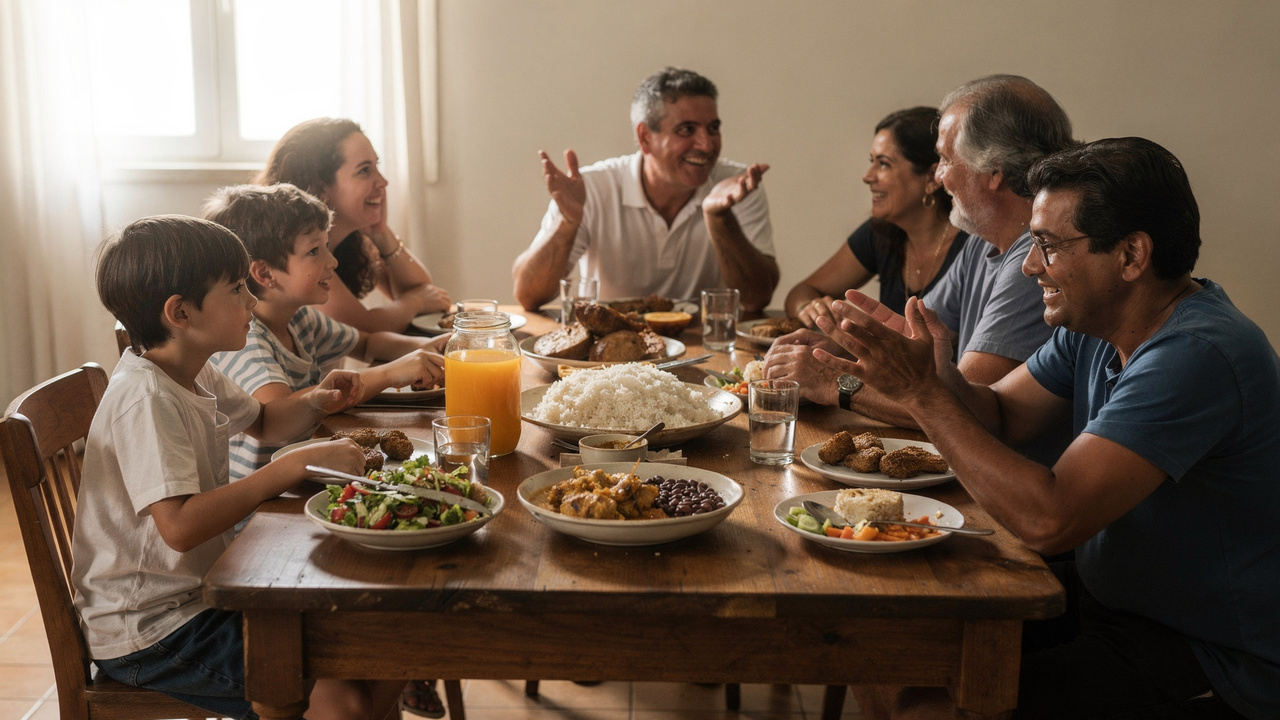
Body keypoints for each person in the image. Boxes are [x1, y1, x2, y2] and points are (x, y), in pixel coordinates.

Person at [817, 137, 1279, 720]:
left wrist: (921, 395)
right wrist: (935, 372)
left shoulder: (1196, 354)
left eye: (1048, 246)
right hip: (1107, 599)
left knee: (922, 704)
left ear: (1132, 255)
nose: (1030, 265)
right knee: (885, 651)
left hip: (1210, 653)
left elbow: (1048, 520)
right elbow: (1002, 415)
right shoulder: (1095, 322)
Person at [74, 215, 403, 720]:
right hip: (150, 628)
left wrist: (317, 399)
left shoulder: (193, 367)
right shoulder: (145, 398)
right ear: (180, 312)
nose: (251, 302)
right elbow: (180, 527)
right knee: (343, 701)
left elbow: (267, 420)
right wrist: (290, 467)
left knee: (378, 647)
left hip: (198, 595)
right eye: (235, 290)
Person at [766, 76, 1073, 441]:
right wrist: (836, 347)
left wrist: (836, 384)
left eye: (944, 160)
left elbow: (964, 407)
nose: (939, 176)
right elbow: (912, 340)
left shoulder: (1034, 261)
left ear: (994, 172)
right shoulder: (982, 241)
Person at [202, 184, 446, 478]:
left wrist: (428, 347)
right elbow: (274, 414)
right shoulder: (245, 339)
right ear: (265, 273)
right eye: (315, 251)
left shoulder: (301, 318)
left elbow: (368, 344)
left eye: (327, 247)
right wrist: (391, 373)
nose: (333, 261)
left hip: (311, 472)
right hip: (268, 505)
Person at [512, 66, 779, 312]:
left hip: (706, 350)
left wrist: (720, 218)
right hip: (612, 352)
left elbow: (756, 299)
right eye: (687, 130)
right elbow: (528, 295)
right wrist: (567, 223)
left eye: (713, 128)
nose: (707, 145)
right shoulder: (592, 187)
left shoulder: (736, 186)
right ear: (645, 138)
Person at [257, 117, 452, 333]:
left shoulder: (352, 240)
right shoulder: (297, 253)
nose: (383, 182)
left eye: (376, 166)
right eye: (364, 171)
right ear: (321, 188)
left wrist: (381, 233)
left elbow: (427, 296)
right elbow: (365, 329)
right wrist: (416, 302)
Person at [785, 106, 968, 324]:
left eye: (883, 164)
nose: (867, 176)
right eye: (872, 161)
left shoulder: (973, 247)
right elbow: (800, 293)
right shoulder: (881, 232)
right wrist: (809, 307)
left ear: (931, 177)